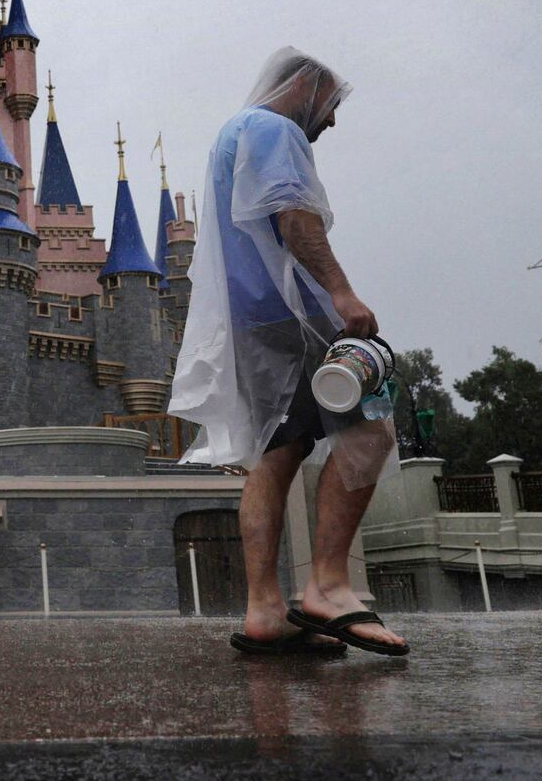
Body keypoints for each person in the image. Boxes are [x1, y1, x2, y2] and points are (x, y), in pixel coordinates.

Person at [169, 47, 407, 657]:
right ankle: (328, 586)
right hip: (293, 309)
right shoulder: (274, 129)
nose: (330, 122)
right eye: (329, 106)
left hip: (249, 321)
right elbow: (296, 218)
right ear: (303, 85)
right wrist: (343, 293)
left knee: (275, 454)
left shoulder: (231, 134)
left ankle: (264, 611)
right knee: (369, 428)